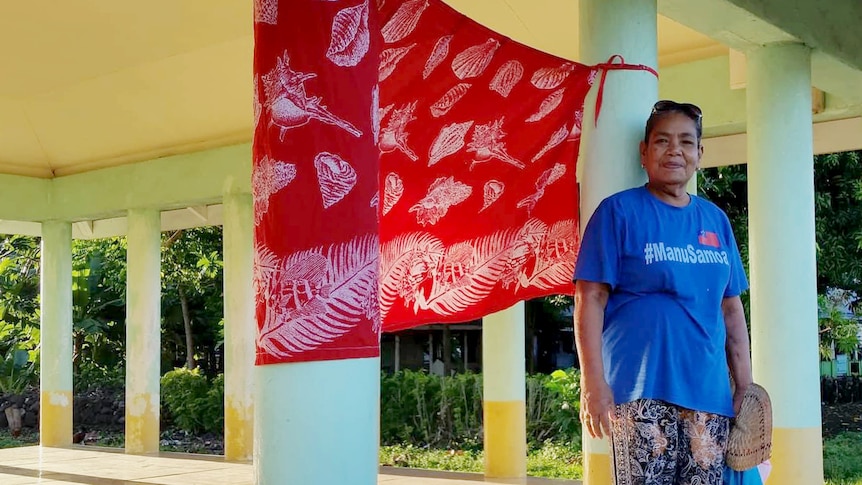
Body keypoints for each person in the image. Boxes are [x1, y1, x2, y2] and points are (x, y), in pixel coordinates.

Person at [573, 100, 753, 484]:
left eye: (686, 142)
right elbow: (590, 299)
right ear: (644, 152)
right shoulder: (617, 213)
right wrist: (592, 383)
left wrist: (745, 386)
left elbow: (731, 309)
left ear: (699, 154)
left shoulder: (715, 221)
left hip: (708, 395)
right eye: (662, 141)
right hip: (639, 392)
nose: (675, 150)